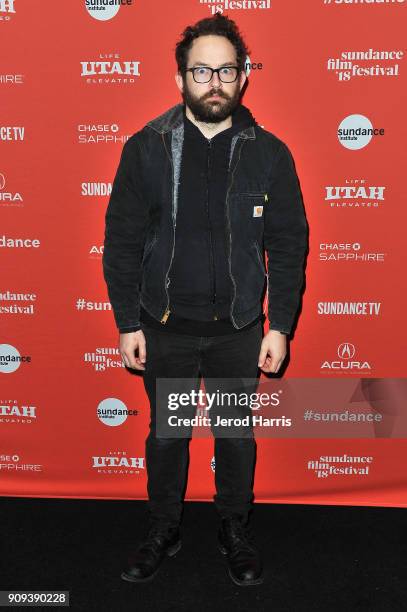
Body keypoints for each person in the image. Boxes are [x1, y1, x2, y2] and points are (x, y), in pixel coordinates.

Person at [102, 13, 308, 587]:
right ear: (180, 78)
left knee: (235, 436)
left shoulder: (270, 153)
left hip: (239, 330)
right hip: (165, 326)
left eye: (225, 70)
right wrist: (126, 320)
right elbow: (120, 241)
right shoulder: (145, 148)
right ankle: (163, 528)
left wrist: (280, 325)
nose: (213, 81)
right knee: (167, 435)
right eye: (201, 71)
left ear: (243, 78)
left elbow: (288, 246)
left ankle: (233, 528)